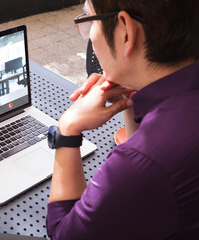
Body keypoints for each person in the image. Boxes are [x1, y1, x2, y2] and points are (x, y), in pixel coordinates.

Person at [46, 0, 199, 239]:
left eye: (89, 19)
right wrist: (133, 94)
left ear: (126, 31)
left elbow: (64, 234)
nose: (89, 37)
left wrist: (67, 130)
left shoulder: (141, 162)